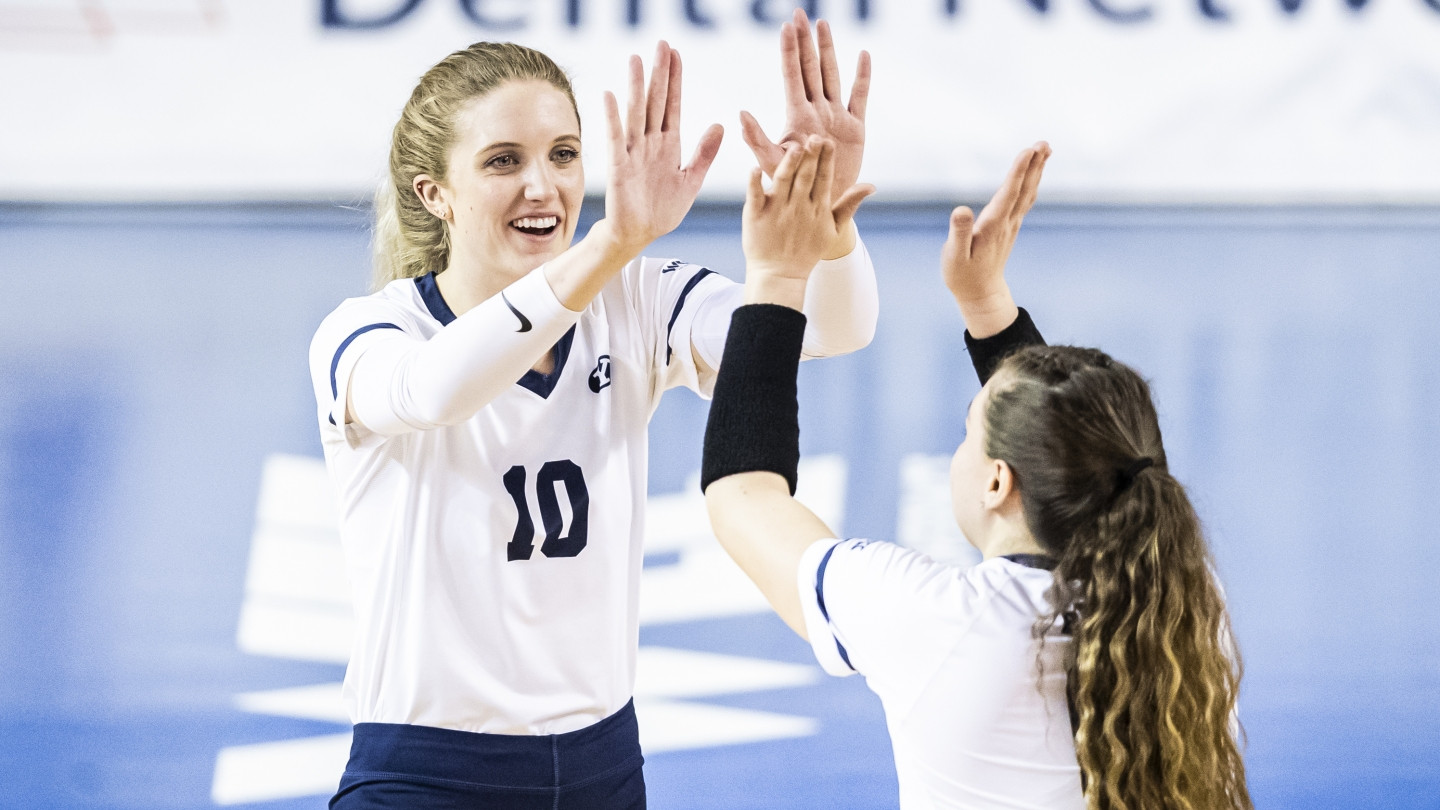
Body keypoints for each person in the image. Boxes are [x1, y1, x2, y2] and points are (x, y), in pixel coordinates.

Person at [306, 12, 877, 809]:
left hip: (601, 767)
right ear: (433, 193)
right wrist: (611, 243)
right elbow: (433, 392)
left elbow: (827, 331)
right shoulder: (367, 332)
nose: (543, 187)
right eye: (504, 161)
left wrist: (831, 225)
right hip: (425, 772)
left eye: (563, 155)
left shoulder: (635, 300)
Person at [701, 142, 1254, 809]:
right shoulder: (1188, 605)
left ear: (997, 482)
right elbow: (1103, 457)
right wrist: (988, 307)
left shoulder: (936, 621)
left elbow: (743, 494)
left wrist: (777, 277)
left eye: (967, 429)